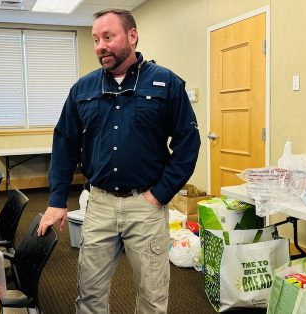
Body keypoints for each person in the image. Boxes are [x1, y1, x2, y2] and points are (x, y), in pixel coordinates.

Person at [37, 8, 200, 313]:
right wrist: (57, 199)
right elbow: (64, 144)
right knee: (89, 295)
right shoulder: (82, 90)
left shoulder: (166, 84)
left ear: (132, 36)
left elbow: (188, 144)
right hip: (98, 205)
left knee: (152, 297)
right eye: (96, 39)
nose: (100, 45)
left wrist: (160, 194)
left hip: (146, 205)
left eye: (108, 37)